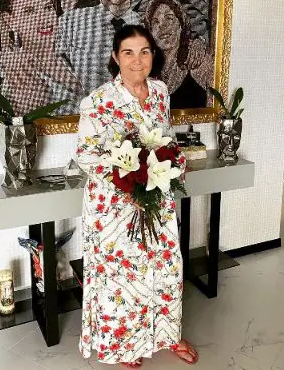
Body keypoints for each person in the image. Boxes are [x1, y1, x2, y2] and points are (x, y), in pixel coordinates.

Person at [76, 25, 199, 367]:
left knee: (165, 268)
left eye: (144, 51)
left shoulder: (160, 92)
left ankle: (168, 335)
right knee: (123, 278)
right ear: (115, 57)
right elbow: (86, 156)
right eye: (128, 52)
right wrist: (127, 185)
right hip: (115, 206)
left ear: (153, 55)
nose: (137, 60)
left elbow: (166, 138)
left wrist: (176, 164)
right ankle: (125, 345)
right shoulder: (98, 101)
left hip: (156, 199)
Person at [0, 0, 83, 115]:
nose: (44, 19)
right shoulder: (19, 75)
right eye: (29, 11)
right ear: (10, 20)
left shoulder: (71, 55)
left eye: (48, 8)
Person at [145, 0, 213, 109]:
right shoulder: (147, 69)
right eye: (156, 22)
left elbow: (216, 106)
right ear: (150, 31)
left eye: (169, 18)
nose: (162, 26)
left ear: (181, 24)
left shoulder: (195, 59)